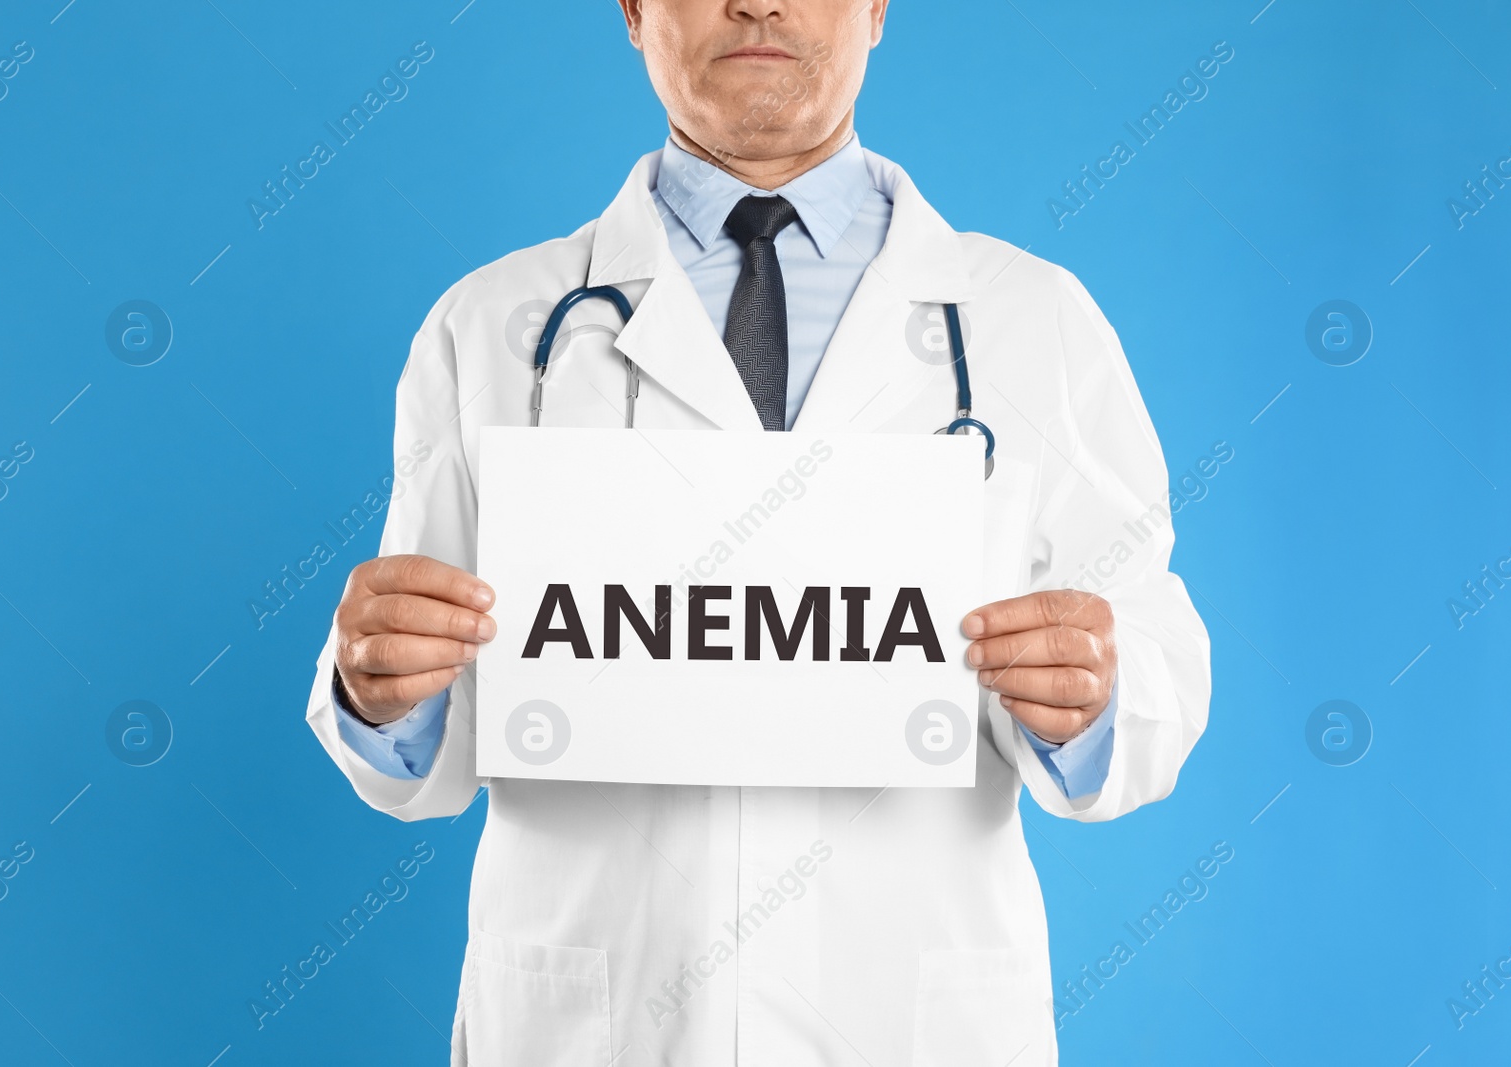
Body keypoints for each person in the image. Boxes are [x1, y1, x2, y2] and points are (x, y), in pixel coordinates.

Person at [304, 1, 1210, 1062]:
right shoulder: (492, 324)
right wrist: (381, 691)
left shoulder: (1031, 320)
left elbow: (1155, 652)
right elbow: (435, 740)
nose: (759, 1)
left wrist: (1097, 694)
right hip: (596, 1015)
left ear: (876, 9)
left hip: (907, 1017)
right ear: (635, 12)